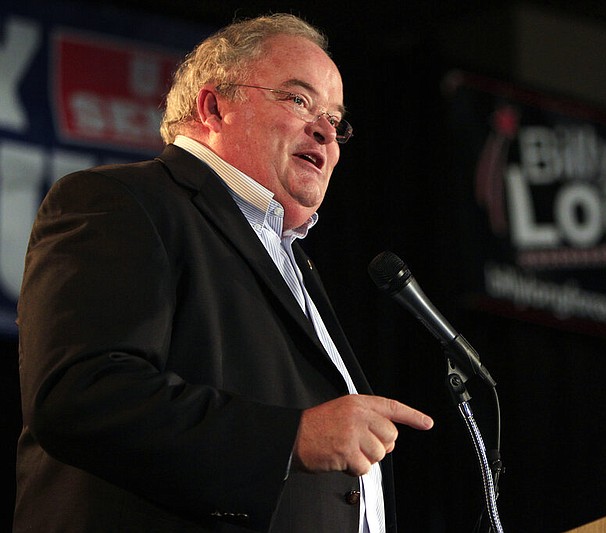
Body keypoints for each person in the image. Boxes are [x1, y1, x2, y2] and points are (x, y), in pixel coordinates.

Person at [14, 13, 433, 533]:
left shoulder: (291, 258)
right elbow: (79, 395)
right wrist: (292, 437)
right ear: (214, 107)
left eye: (335, 118)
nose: (326, 131)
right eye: (299, 100)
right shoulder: (123, 202)